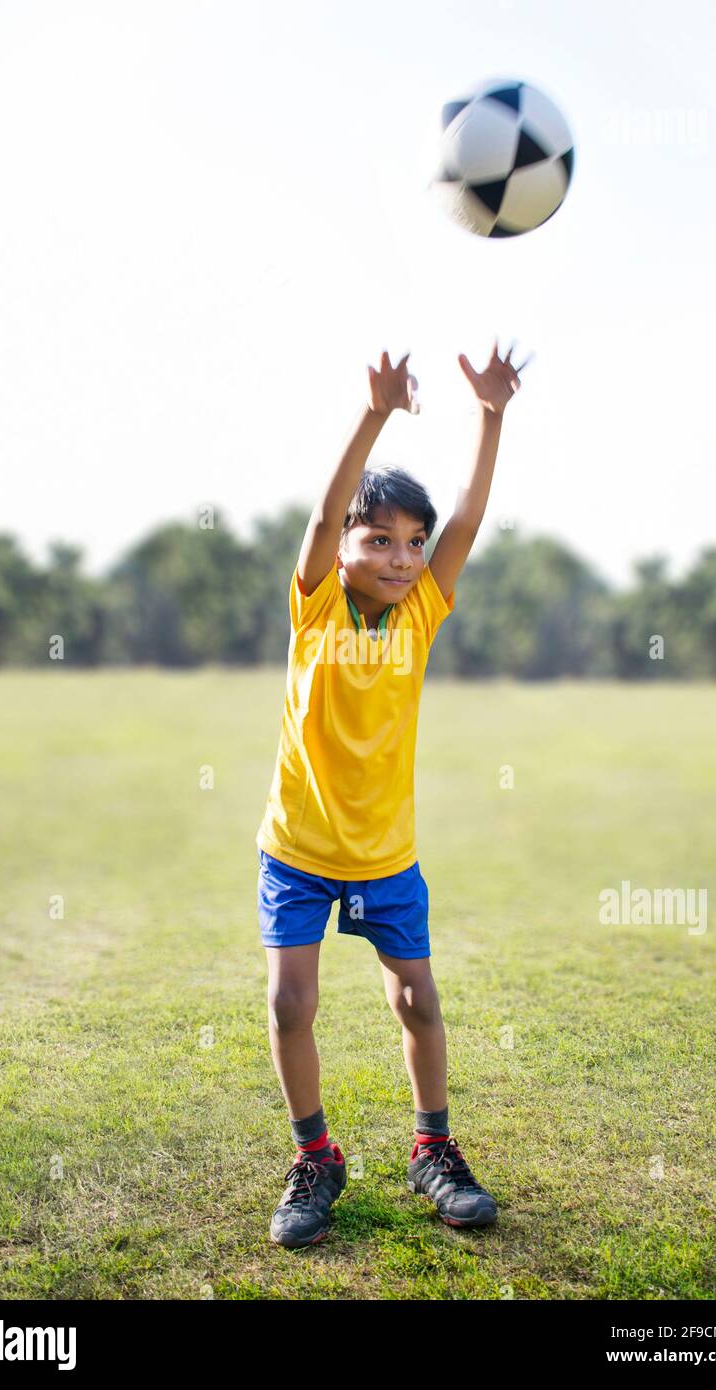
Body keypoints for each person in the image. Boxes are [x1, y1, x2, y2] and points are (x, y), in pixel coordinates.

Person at [256, 342, 526, 1248]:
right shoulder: (317, 603)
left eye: (414, 542)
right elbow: (329, 506)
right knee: (291, 1005)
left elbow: (471, 517)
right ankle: (315, 1157)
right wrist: (373, 413)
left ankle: (433, 1149)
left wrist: (490, 414)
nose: (404, 557)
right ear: (343, 549)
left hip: (385, 856)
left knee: (416, 1003)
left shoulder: (421, 611)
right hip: (297, 847)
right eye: (381, 540)